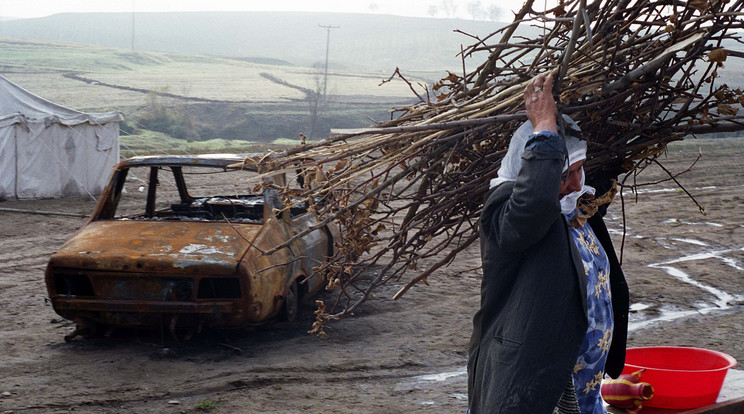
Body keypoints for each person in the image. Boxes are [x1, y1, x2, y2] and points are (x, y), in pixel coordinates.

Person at [467, 73, 629, 413]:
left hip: (584, 393)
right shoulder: (508, 213)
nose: (573, 184)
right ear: (531, 168)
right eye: (561, 174)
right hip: (528, 393)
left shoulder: (579, 208)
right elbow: (534, 204)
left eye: (579, 170)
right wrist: (543, 127)